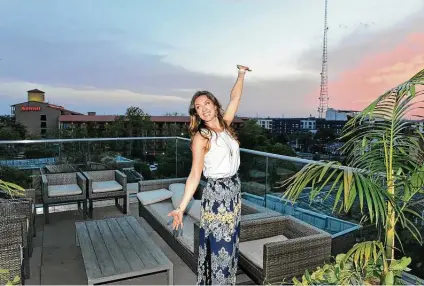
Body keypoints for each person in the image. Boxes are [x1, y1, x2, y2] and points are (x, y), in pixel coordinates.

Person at [167, 64, 250, 285]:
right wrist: (181, 208)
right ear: (196, 112)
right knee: (219, 251)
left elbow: (235, 99)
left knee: (230, 247)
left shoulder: (225, 126)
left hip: (233, 192)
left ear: (215, 105)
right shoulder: (201, 137)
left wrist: (241, 74)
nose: (203, 108)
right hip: (217, 197)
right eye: (198, 107)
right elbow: (195, 175)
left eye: (207, 103)